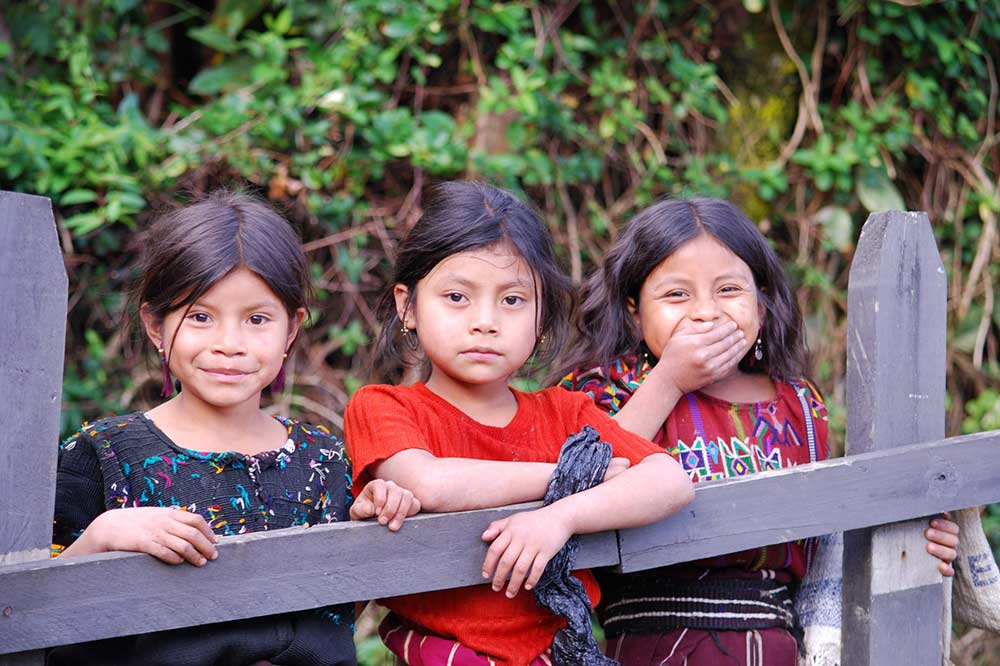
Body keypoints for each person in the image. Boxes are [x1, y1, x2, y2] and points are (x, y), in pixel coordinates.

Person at [559, 198, 961, 665]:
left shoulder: (798, 405)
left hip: (775, 645)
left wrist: (911, 539)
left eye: (729, 289)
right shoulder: (607, 389)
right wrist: (668, 381)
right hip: (651, 644)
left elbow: (826, 541)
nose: (706, 313)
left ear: (763, 306)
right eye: (676, 295)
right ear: (634, 313)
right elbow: (581, 478)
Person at [49, 191, 419, 666]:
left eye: (257, 319)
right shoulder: (102, 455)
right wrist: (102, 536)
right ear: (156, 326)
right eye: (200, 317)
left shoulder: (324, 459)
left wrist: (374, 520)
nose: (229, 344)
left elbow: (340, 610)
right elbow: (34, 621)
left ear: (290, 330)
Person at [343, 181, 694, 666]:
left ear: (542, 315)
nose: (485, 321)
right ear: (408, 306)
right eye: (457, 297)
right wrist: (569, 477)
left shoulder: (565, 413)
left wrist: (561, 516)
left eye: (512, 301)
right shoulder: (385, 407)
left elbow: (670, 481)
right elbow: (430, 482)